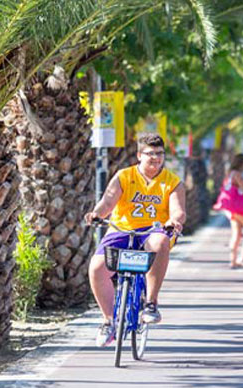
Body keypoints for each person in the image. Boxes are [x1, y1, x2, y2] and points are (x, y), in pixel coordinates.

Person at [84, 132, 186, 347]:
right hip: (121, 230)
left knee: (159, 243)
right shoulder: (124, 176)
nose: (155, 158)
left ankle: (150, 303)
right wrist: (97, 214)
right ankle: (108, 320)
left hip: (154, 231)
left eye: (160, 154)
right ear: (139, 155)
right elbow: (108, 201)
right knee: (97, 268)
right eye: (150, 154)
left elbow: (178, 210)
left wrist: (174, 221)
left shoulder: (173, 182)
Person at [213, 153, 243, 268]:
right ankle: (242, 258)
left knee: (236, 234)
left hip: (231, 208)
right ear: (242, 163)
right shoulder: (237, 174)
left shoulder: (229, 173)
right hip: (239, 208)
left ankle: (233, 261)